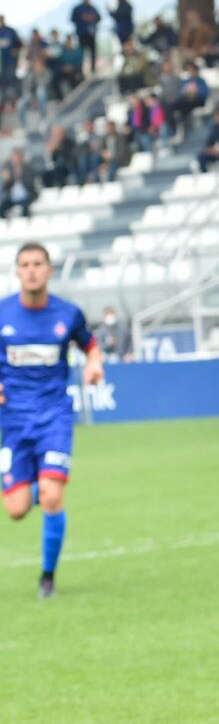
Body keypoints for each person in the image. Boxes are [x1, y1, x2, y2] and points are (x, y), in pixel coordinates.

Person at [0, 244, 105, 598]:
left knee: (51, 495)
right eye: (25, 265)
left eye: (38, 264)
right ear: (17, 272)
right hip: (13, 421)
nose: (31, 270)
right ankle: (31, 485)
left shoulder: (68, 314)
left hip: (53, 417)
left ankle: (48, 577)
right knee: (15, 509)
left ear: (49, 270)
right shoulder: (3, 313)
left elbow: (91, 345)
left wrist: (94, 363)